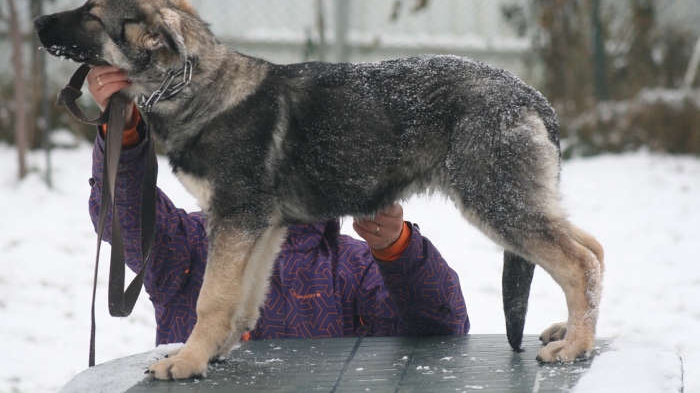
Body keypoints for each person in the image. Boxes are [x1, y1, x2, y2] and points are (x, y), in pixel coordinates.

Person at [86, 66, 470, 346]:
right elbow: (123, 215)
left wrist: (398, 248)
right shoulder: (188, 246)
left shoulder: (352, 266)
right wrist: (123, 127)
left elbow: (443, 328)